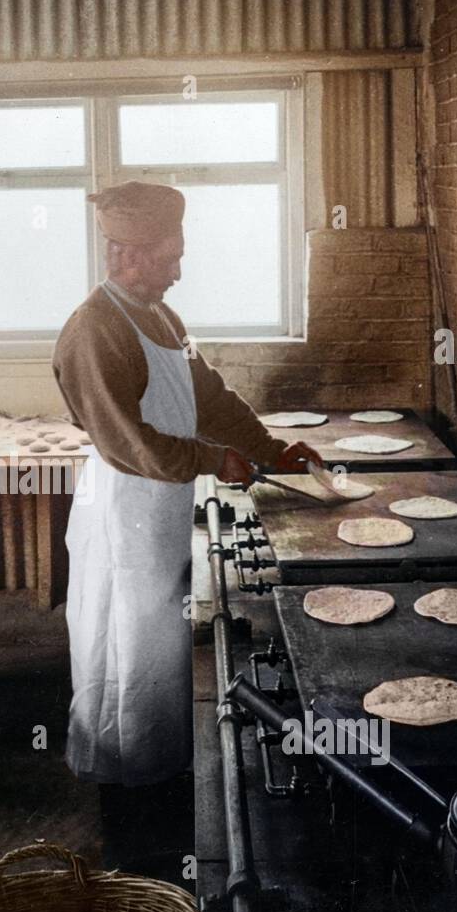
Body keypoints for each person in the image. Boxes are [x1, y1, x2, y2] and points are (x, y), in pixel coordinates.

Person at [52, 181, 322, 863]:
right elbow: (129, 442)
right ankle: (129, 812)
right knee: (126, 654)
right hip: (125, 514)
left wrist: (268, 448)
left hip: (166, 506)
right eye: (169, 257)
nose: (179, 268)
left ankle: (159, 780)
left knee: (161, 656)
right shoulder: (95, 328)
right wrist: (215, 459)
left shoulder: (162, 317)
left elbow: (210, 396)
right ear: (127, 254)